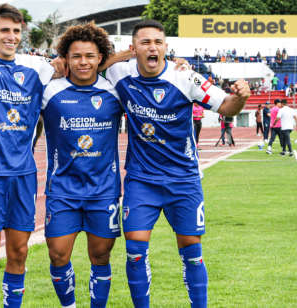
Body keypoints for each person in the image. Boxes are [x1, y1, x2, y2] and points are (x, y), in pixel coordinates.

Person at [0, 5, 173, 307]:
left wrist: (130, 55)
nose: (11, 36)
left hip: (25, 174)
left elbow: (84, 65)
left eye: (16, 31)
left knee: (20, 253)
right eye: (5, 30)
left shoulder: (38, 67)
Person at [102, 19, 249, 308]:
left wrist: (240, 97)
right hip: (141, 180)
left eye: (158, 42)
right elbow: (88, 65)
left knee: (192, 252)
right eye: (145, 43)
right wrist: (120, 56)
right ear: (134, 49)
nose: (152, 47)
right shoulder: (120, 72)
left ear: (166, 47)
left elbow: (227, 106)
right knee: (134, 251)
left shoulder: (186, 76)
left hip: (183, 180)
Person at [39, 23, 125, 308]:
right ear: (66, 58)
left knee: (100, 257)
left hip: (104, 190)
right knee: (58, 256)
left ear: (100, 58)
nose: (83, 62)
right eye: (76, 56)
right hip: (62, 189)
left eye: (90, 55)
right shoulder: (49, 91)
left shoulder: (115, 91)